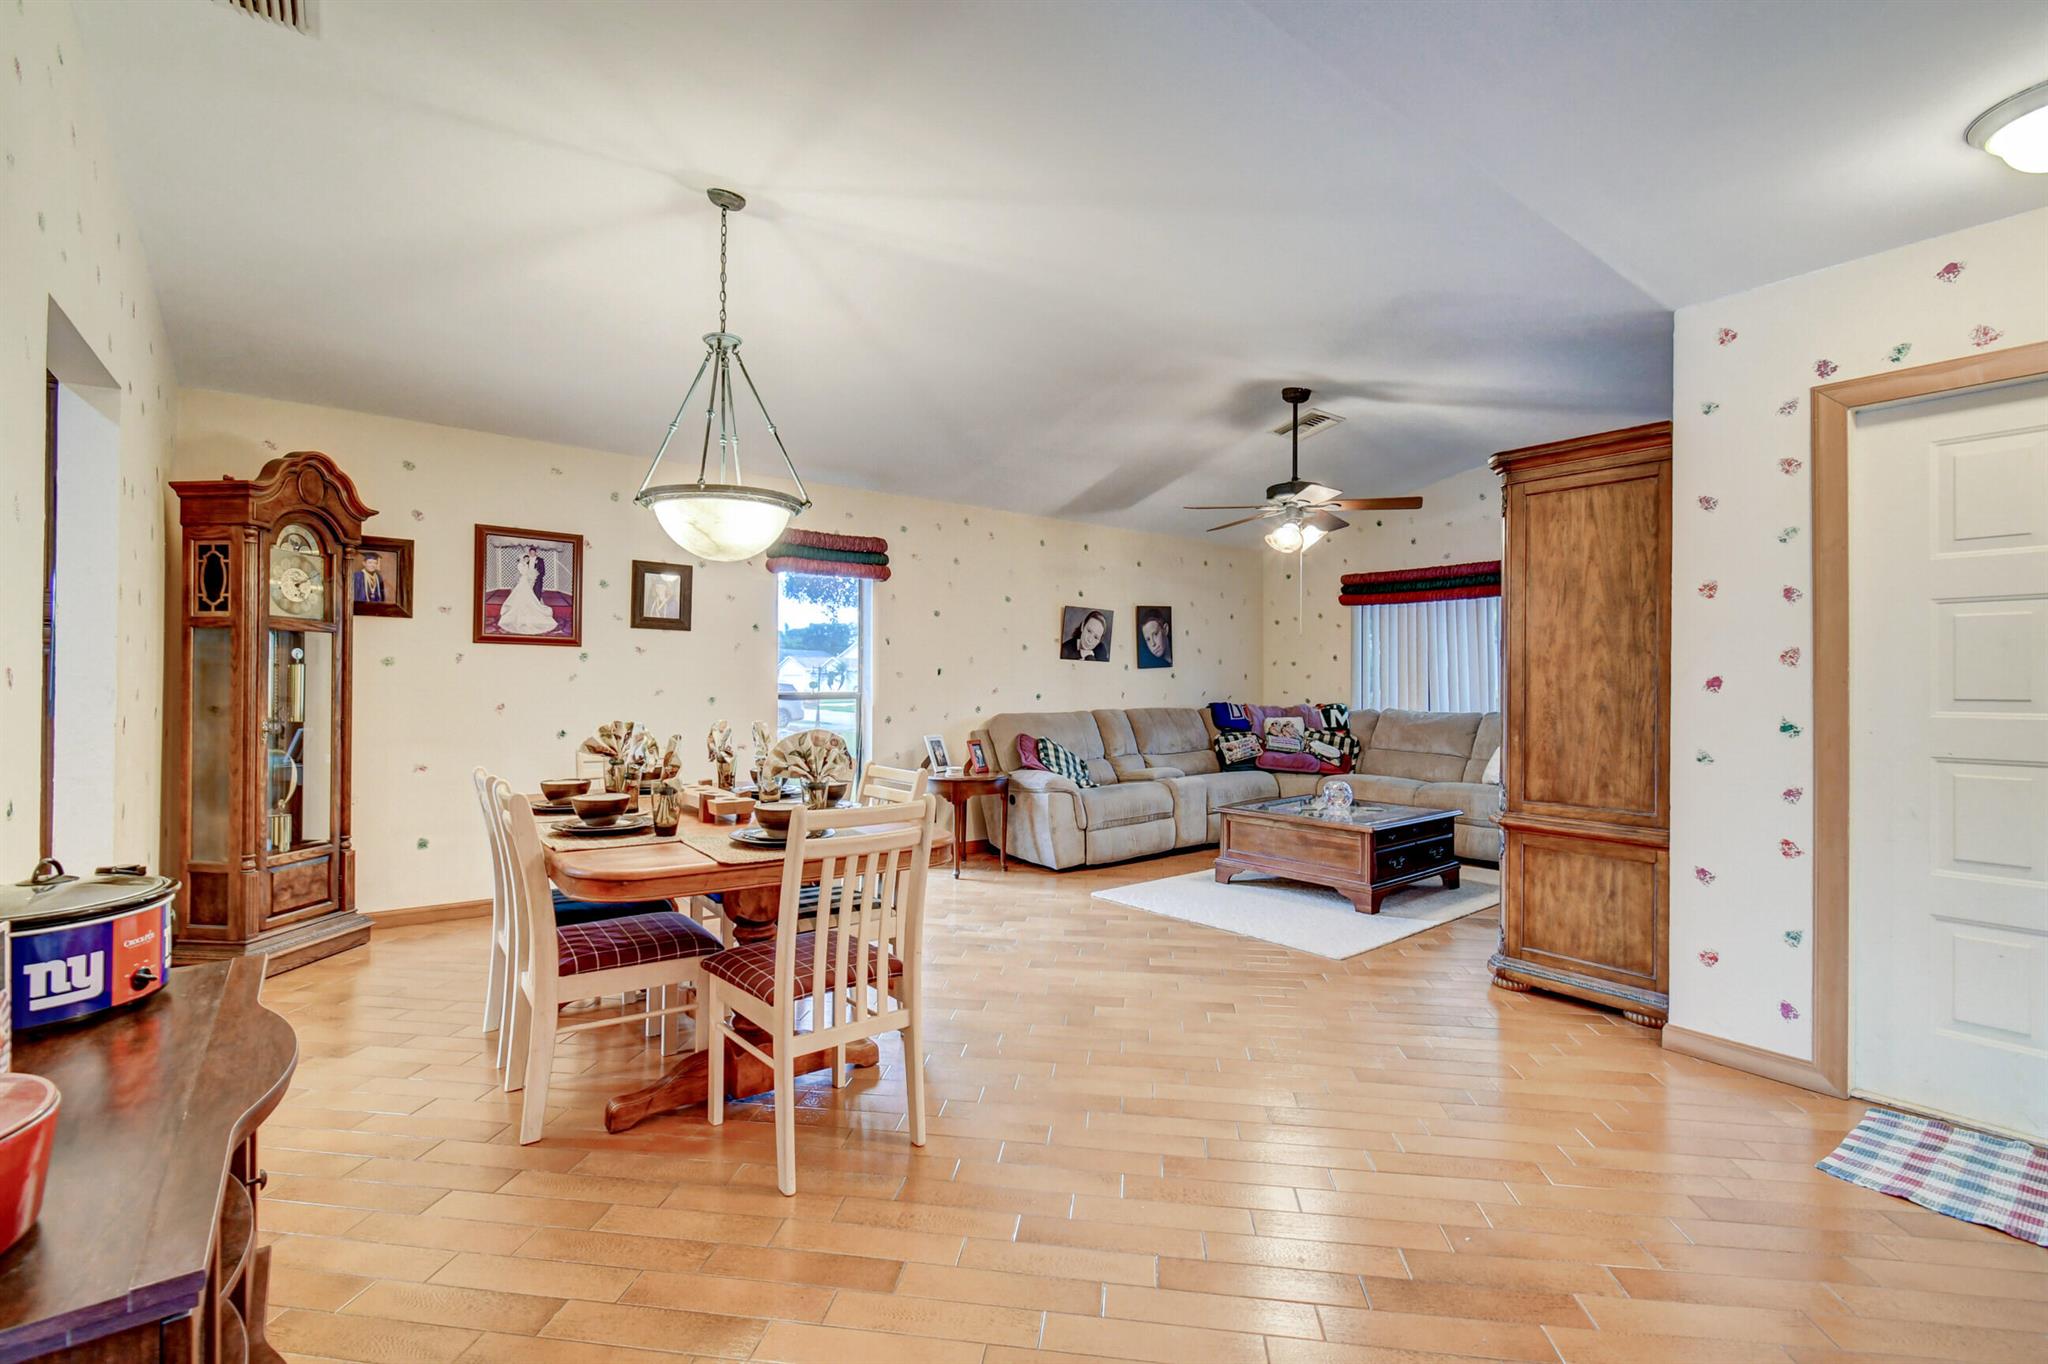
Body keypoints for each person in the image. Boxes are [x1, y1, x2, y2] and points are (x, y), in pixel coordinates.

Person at [495, 547, 559, 635]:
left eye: (533, 552)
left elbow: (542, 571)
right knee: (524, 595)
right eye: (530, 553)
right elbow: (524, 572)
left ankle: (534, 608)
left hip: (534, 580)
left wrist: (535, 576)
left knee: (533, 595)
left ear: (536, 552)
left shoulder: (539, 560)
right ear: (528, 554)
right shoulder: (522, 564)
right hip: (525, 581)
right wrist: (530, 574)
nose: (531, 555)